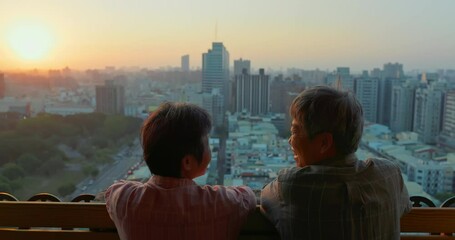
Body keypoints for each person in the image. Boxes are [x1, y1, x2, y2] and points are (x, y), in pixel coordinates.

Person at [260, 86, 411, 239]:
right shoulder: (389, 174)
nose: (290, 141)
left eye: (295, 132)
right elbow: (404, 207)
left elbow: (264, 199)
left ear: (324, 143)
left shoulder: (291, 185)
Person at [105, 102, 256, 240]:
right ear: (188, 162)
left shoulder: (123, 199)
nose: (210, 149)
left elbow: (111, 192)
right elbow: (249, 197)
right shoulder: (223, 203)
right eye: (207, 143)